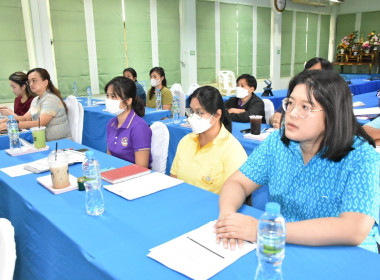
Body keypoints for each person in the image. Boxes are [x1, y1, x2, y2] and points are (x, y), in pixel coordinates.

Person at [215, 70, 380, 253]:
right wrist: (227, 218)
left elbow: (353, 229)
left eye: (305, 107)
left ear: (333, 113)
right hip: (290, 244)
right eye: (290, 103)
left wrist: (263, 229)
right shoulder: (278, 142)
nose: (292, 113)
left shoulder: (362, 156)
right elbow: (238, 182)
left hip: (346, 255)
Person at [170, 86, 247, 194]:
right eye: (191, 111)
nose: (192, 117)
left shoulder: (232, 150)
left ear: (217, 115)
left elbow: (234, 196)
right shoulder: (186, 141)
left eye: (199, 112)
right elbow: (174, 180)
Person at [0, 68, 71, 141]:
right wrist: (8, 119)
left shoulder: (51, 99)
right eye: (29, 81)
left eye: (34, 80)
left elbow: (41, 123)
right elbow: (25, 118)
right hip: (43, 142)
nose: (31, 84)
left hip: (59, 143)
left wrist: (14, 126)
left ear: (45, 82)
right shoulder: (36, 100)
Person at [269, 57, 333, 128]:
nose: (310, 77)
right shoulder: (298, 95)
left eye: (315, 73)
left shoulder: (331, 101)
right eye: (307, 73)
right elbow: (276, 115)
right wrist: (276, 121)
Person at [105, 76, 152, 168]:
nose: (108, 100)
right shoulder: (111, 124)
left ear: (128, 100)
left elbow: (141, 168)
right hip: (115, 173)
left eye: (113, 96)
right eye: (107, 96)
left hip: (134, 177)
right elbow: (109, 156)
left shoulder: (139, 128)